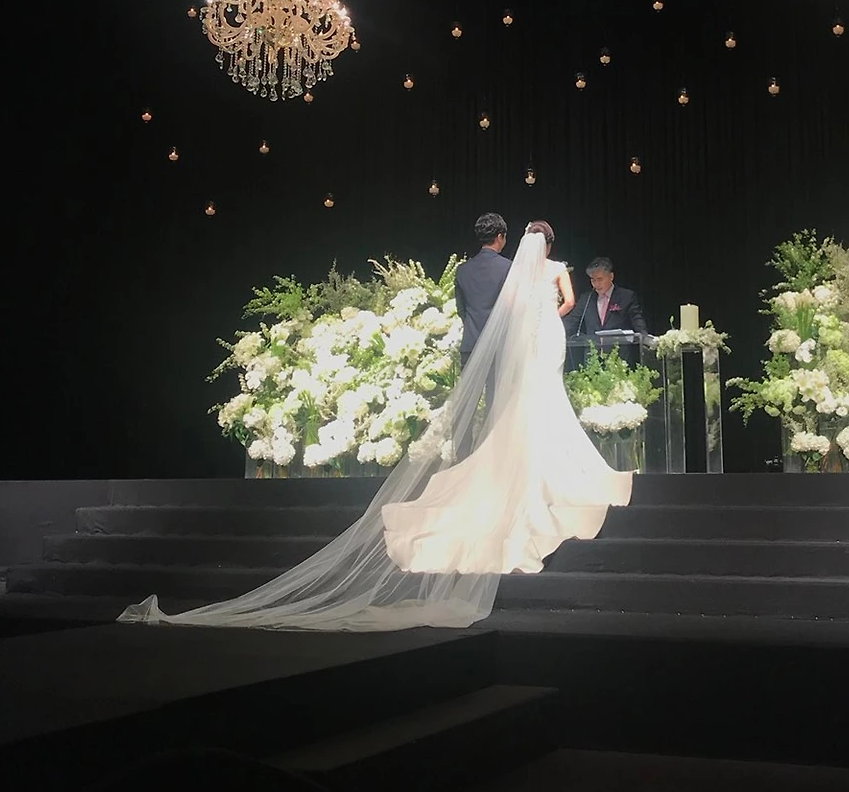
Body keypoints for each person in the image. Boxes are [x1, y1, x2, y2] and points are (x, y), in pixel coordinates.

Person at [118, 221, 633, 631]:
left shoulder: (489, 271)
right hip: (530, 344)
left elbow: (482, 310)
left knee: (521, 408)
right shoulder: (526, 271)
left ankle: (510, 461)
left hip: (501, 345)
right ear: (528, 241)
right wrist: (547, 316)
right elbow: (547, 305)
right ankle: (532, 465)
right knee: (534, 403)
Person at [453, 212, 511, 419]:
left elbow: (461, 310)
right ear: (500, 236)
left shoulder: (462, 270)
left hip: (470, 344)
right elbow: (512, 309)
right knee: (495, 407)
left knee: (466, 407)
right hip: (499, 347)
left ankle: (463, 442)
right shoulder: (508, 268)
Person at [569, 256, 649, 340]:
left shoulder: (626, 297)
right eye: (593, 280)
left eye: (600, 279)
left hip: (618, 347)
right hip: (593, 348)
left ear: (611, 276)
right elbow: (571, 322)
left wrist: (645, 338)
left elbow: (638, 322)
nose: (596, 284)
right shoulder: (586, 299)